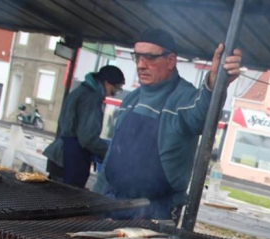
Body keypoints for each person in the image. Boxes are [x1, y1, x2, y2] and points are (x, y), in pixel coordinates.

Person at [95, 28, 242, 223]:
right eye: (137, 57)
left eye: (150, 58)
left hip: (156, 212)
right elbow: (111, 157)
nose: (140, 65)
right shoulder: (130, 100)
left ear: (171, 61)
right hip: (112, 202)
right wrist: (94, 200)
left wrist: (215, 84)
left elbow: (201, 115)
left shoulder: (182, 98)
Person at [43, 65, 125, 187]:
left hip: (60, 159)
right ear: (107, 82)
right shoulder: (91, 97)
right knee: (68, 202)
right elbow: (88, 138)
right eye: (116, 89)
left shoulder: (80, 90)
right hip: (71, 161)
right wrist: (109, 154)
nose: (114, 94)